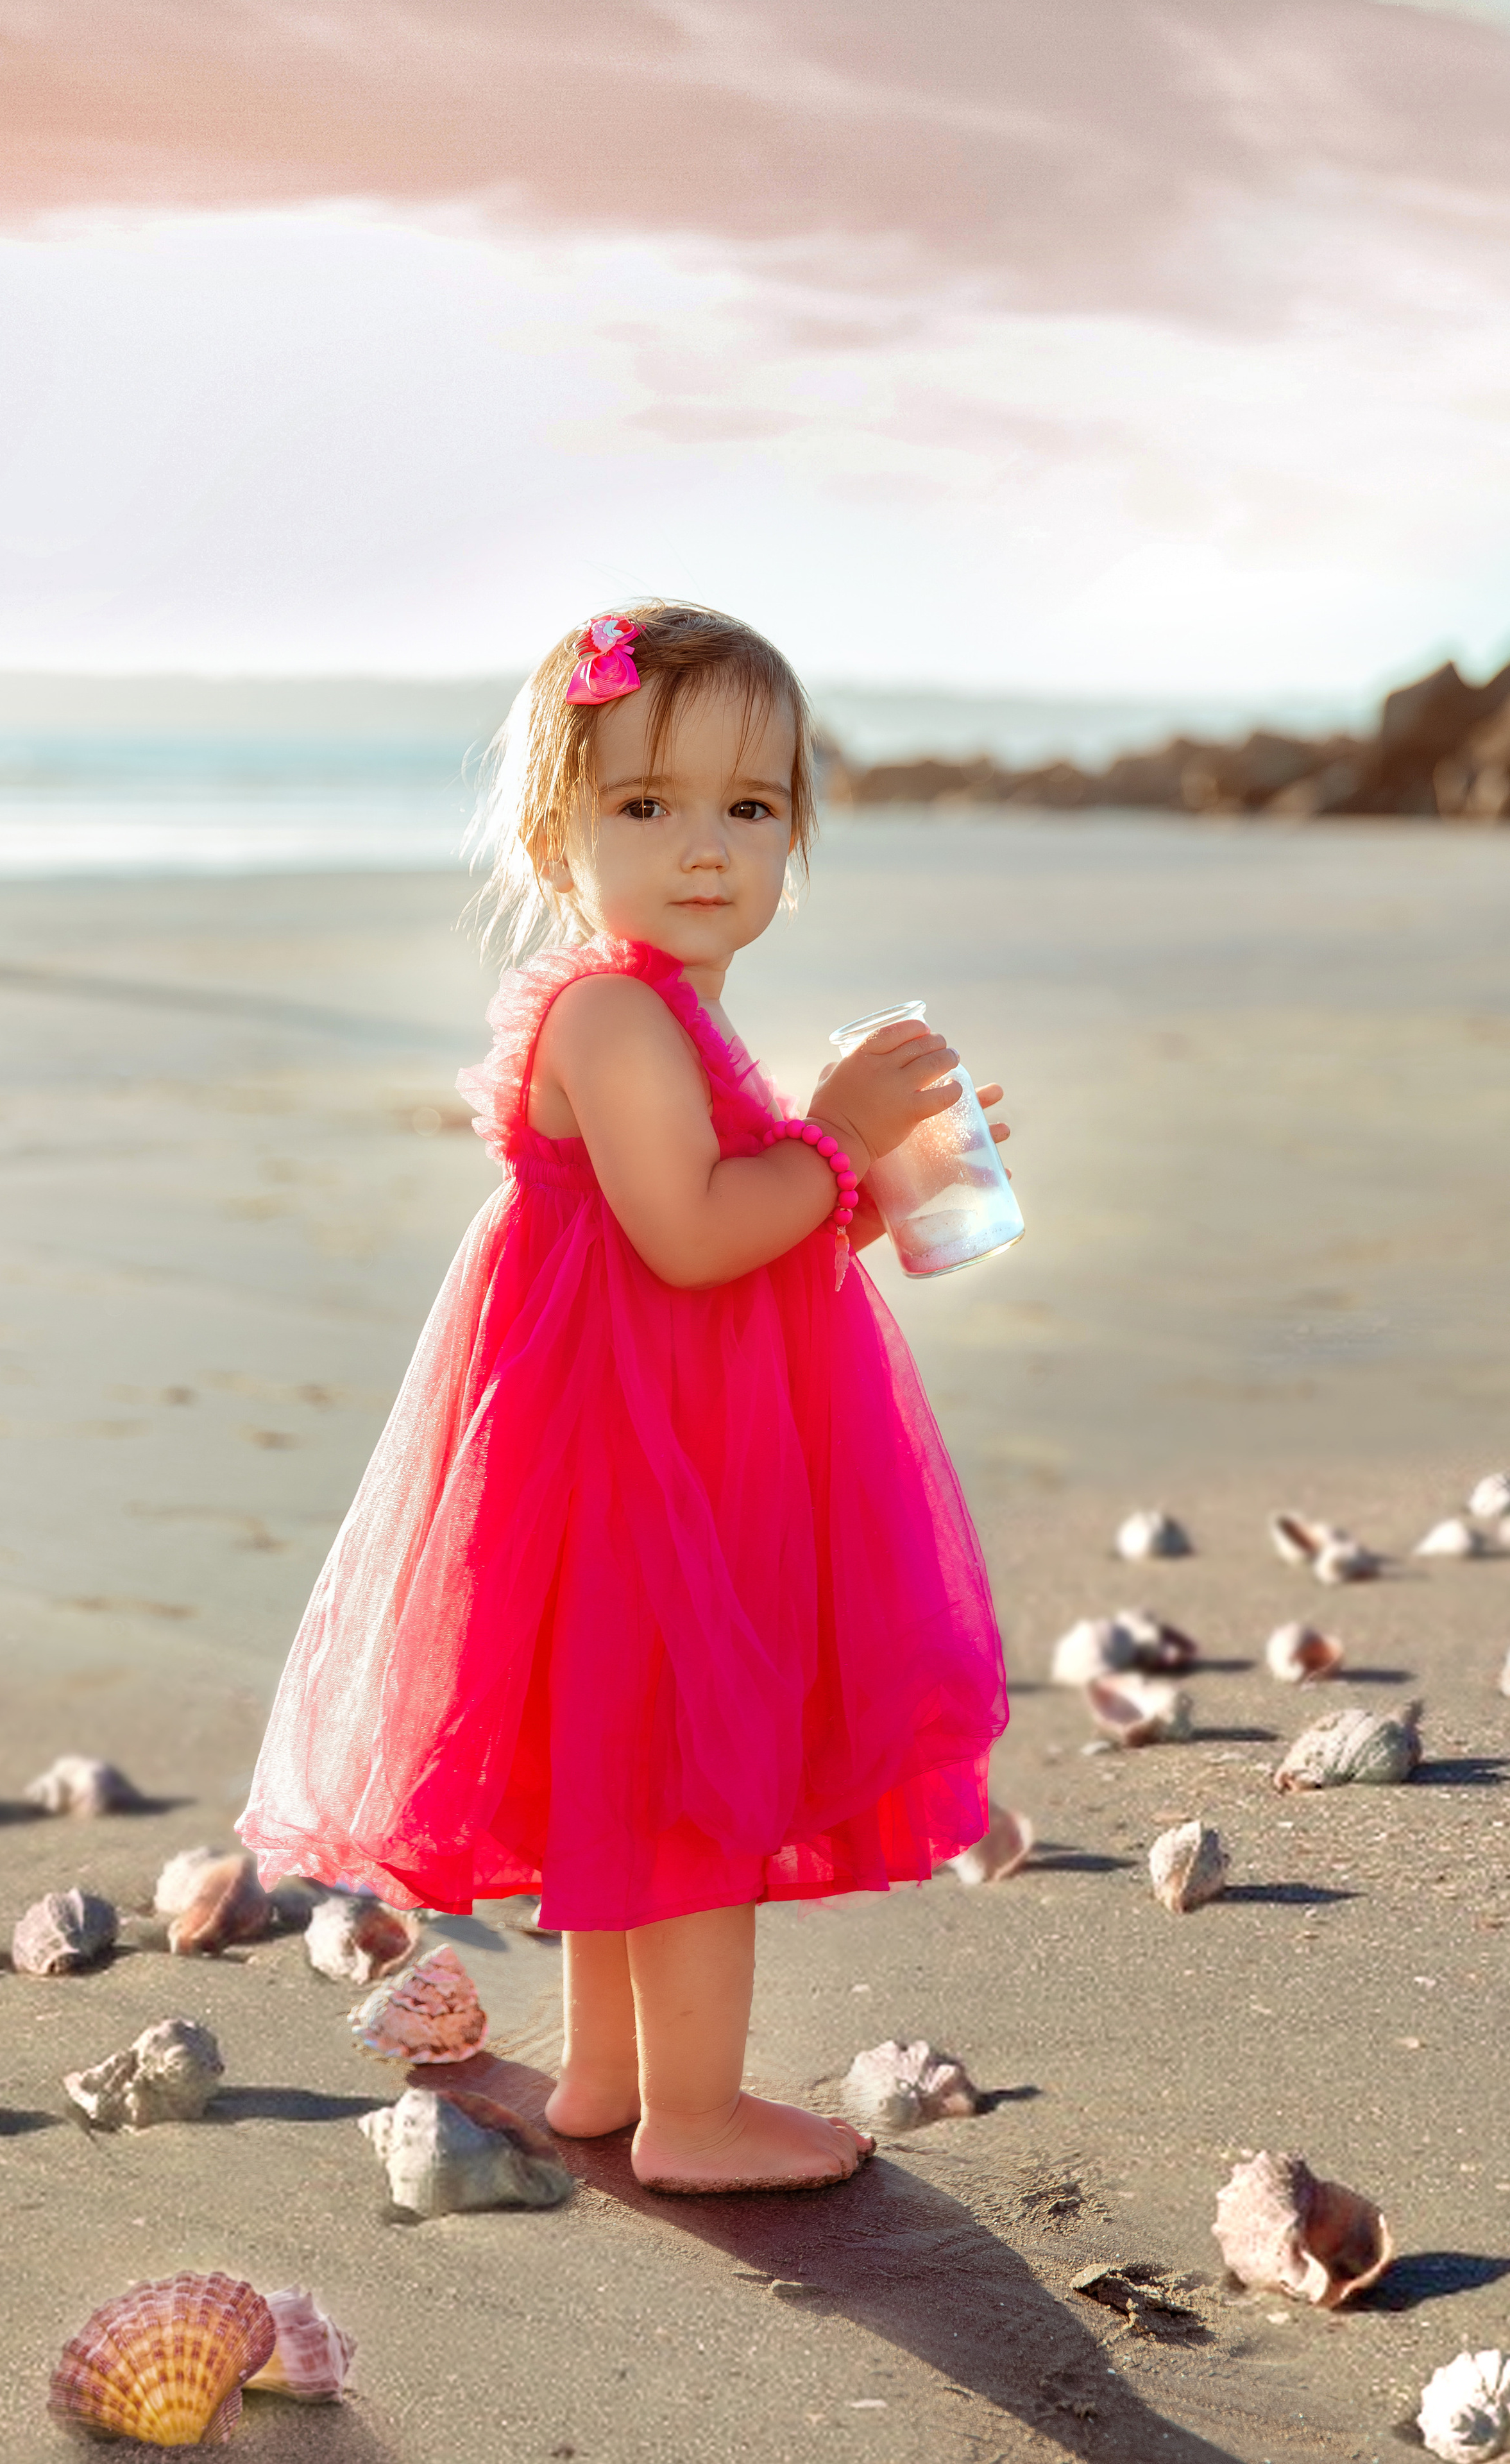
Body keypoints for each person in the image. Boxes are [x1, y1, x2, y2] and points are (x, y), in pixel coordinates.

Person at [238, 601, 1009, 2193]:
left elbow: (739, 1214)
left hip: (666, 1422)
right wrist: (831, 1138)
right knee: (685, 1781)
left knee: (630, 1758)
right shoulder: (611, 1012)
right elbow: (690, 1231)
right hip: (636, 1448)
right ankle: (699, 2118)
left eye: (749, 807)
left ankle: (604, 2074)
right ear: (552, 832)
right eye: (644, 805)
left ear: (796, 831)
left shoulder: (667, 1004)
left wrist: (857, 1174)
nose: (705, 847)